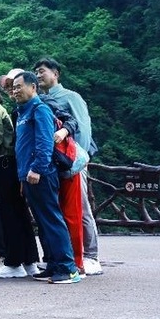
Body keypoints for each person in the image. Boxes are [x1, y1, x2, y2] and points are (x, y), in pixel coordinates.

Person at [11, 71, 81, 284]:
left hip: (41, 173)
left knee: (52, 219)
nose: (15, 90)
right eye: (13, 87)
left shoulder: (40, 109)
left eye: (19, 86)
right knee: (43, 221)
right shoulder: (22, 113)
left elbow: (44, 142)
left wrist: (37, 169)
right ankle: (53, 264)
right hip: (29, 175)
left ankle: (68, 269)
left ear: (33, 87)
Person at [34, 57, 102, 276]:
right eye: (35, 72)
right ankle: (66, 257)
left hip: (73, 162)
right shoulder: (40, 101)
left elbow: (83, 128)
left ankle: (91, 256)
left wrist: (78, 161)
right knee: (61, 210)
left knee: (81, 208)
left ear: (56, 73)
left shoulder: (71, 97)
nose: (38, 74)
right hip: (54, 165)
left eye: (42, 71)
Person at [0, 77, 39, 279]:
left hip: (2, 162)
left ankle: (13, 263)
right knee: (19, 214)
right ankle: (29, 261)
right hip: (10, 163)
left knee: (9, 215)